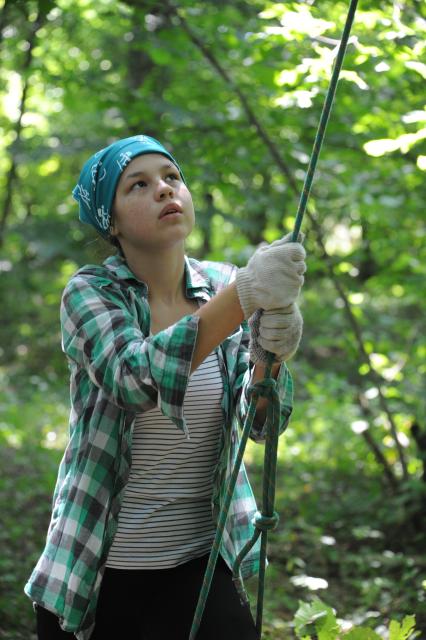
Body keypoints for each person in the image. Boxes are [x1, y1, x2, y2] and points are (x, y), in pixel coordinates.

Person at [24, 134, 306, 640]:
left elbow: (261, 425)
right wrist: (243, 297)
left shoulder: (220, 284)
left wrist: (269, 358)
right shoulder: (90, 294)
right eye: (139, 184)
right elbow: (132, 377)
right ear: (110, 221)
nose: (163, 189)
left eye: (172, 177)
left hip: (204, 565)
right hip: (99, 570)